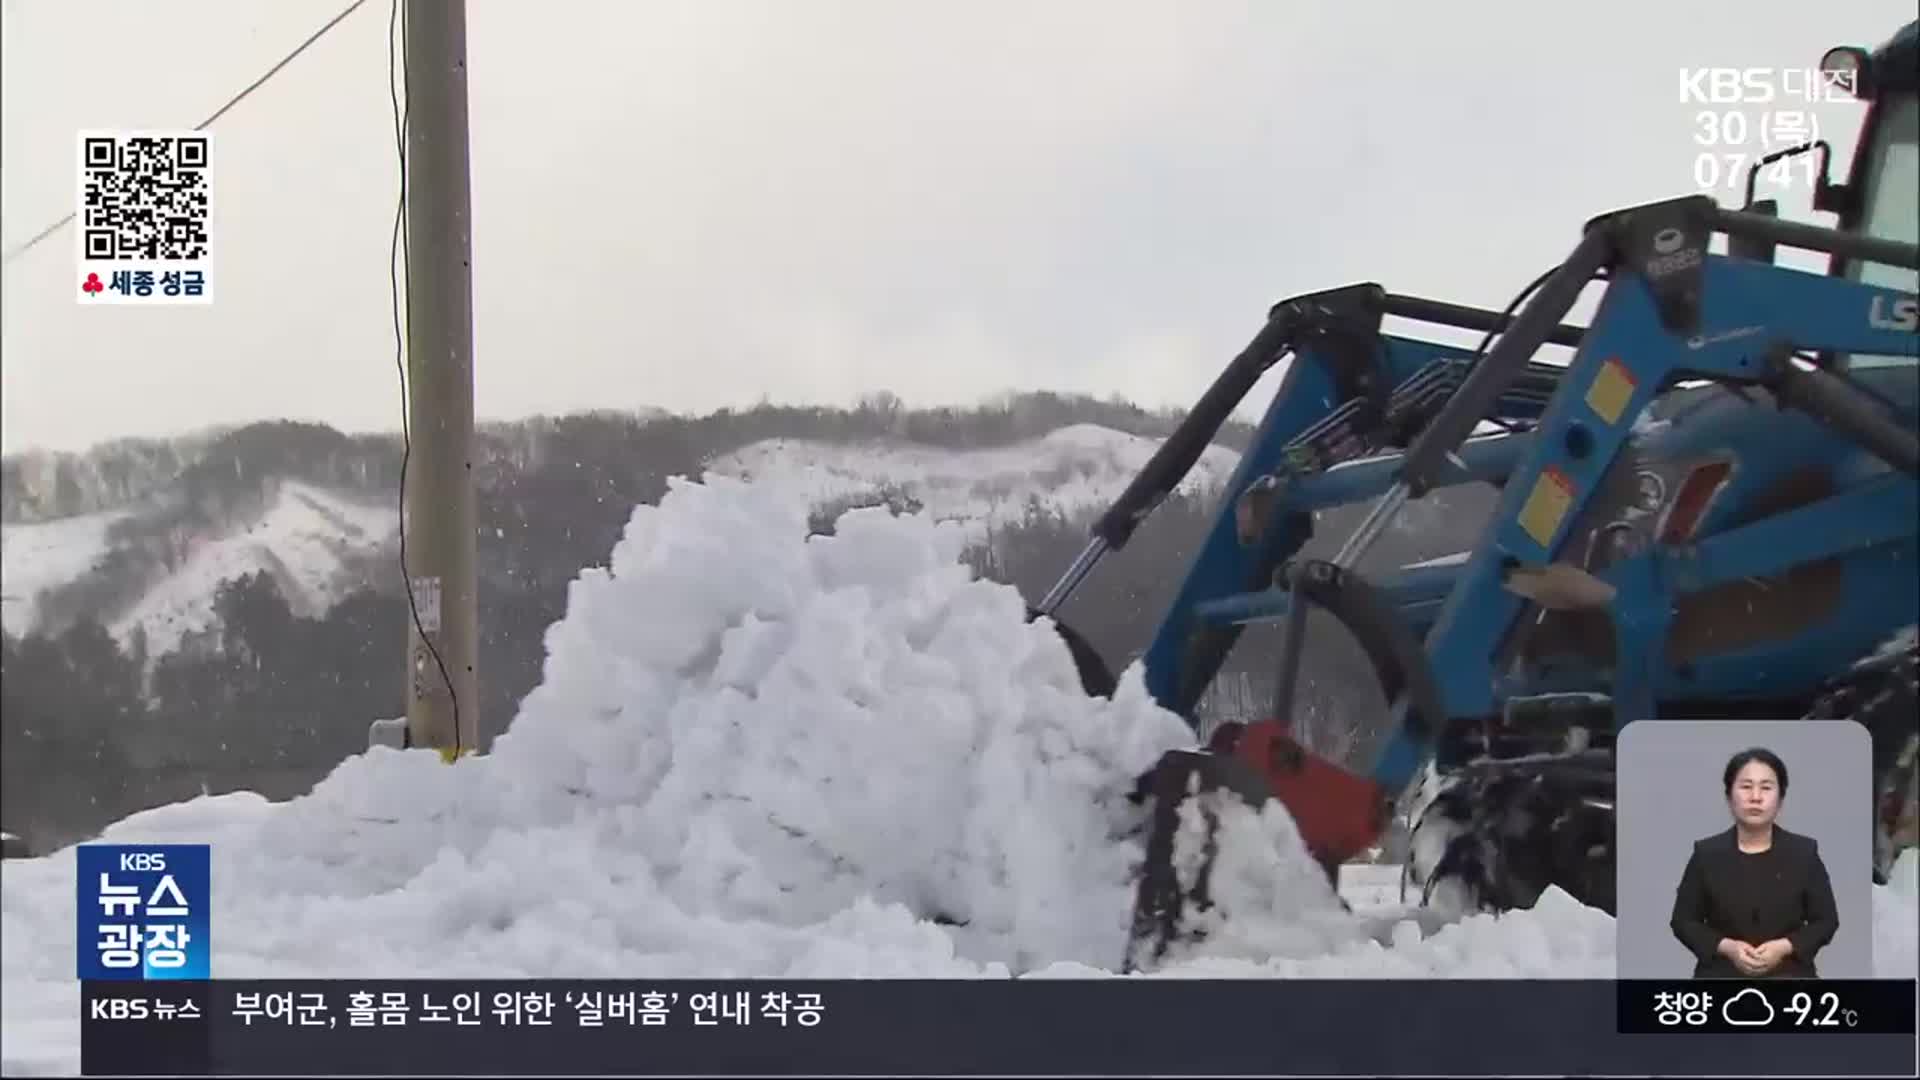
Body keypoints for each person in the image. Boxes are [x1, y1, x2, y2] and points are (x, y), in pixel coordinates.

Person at [1668, 747, 1839, 979]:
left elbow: (1826, 920)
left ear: (1780, 799)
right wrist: (1727, 947)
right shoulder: (1706, 854)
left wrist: (1784, 947)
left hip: (1790, 974)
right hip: (1721, 973)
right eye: (1746, 787)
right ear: (1729, 796)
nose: (1755, 797)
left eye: (1766, 788)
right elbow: (1683, 921)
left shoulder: (1804, 852)